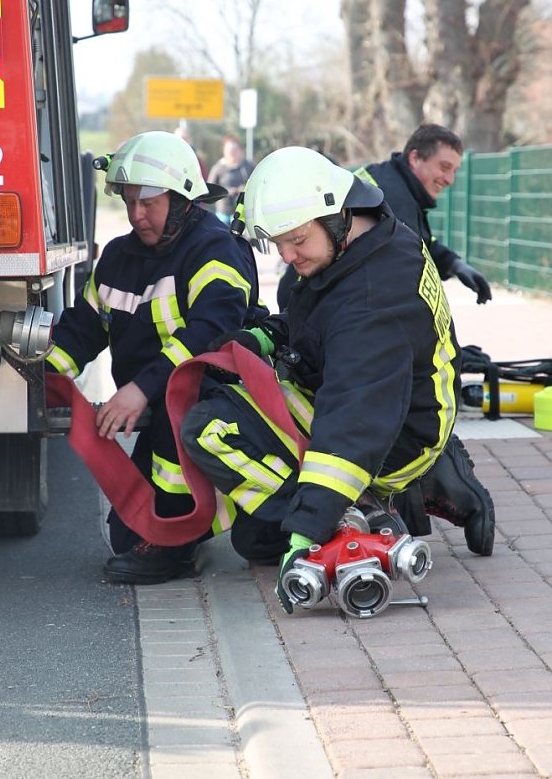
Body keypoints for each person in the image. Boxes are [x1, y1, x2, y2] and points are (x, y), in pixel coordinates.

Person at [179, 146, 494, 616]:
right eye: (278, 243)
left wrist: (308, 535)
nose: (287, 255)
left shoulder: (371, 303)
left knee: (209, 428)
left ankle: (378, 500)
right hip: (403, 406)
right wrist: (266, 337)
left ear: (336, 216)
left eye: (296, 240)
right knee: (253, 542)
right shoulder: (368, 243)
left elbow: (351, 427)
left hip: (392, 432)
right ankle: (411, 487)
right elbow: (321, 322)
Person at [45, 130, 267, 584]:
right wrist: (41, 380)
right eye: (129, 202)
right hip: (158, 400)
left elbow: (210, 331)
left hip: (215, 399)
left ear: (183, 201)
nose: (136, 215)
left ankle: (177, 541)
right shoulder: (118, 257)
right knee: (125, 537)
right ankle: (177, 527)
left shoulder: (215, 248)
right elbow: (83, 329)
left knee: (179, 400)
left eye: (148, 203)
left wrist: (140, 389)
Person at [278, 124, 492, 312]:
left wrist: (453, 264)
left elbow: (420, 242)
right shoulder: (396, 201)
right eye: (444, 167)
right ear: (415, 158)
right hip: (310, 304)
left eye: (454, 171)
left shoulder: (390, 179)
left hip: (306, 296)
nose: (450, 179)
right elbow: (405, 284)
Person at [207, 135, 255, 225]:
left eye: (235, 150)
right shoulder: (218, 168)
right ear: (224, 152)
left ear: (240, 151)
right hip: (223, 211)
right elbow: (210, 188)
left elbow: (256, 184)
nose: (232, 153)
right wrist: (226, 192)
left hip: (243, 211)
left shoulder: (248, 166)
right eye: (230, 151)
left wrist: (244, 189)